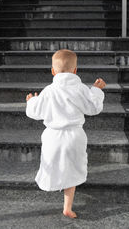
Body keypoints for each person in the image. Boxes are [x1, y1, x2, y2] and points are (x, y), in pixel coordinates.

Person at [25, 49, 106, 218]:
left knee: (52, 164)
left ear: (53, 71)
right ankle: (67, 207)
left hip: (52, 137)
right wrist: (96, 90)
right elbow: (93, 108)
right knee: (72, 171)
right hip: (74, 137)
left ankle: (52, 181)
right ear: (75, 70)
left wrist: (31, 100)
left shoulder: (49, 90)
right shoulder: (81, 88)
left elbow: (35, 112)